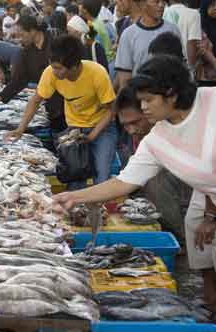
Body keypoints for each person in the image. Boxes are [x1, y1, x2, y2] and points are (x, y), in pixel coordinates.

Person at [52, 54, 216, 314]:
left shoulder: (211, 102)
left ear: (171, 94)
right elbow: (123, 182)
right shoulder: (158, 139)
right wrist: (73, 197)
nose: (145, 107)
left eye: (149, 100)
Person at [5, 34, 117, 189]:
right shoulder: (50, 73)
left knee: (102, 174)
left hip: (102, 128)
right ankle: (78, 211)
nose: (55, 72)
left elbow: (111, 110)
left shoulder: (97, 74)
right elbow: (36, 100)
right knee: (75, 176)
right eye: (53, 66)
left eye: (59, 68)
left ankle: (100, 208)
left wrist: (92, 136)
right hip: (74, 129)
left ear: (74, 66)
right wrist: (20, 129)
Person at [115, 85, 192, 247]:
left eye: (135, 122)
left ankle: (181, 239)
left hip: (191, 195)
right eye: (125, 125)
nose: (130, 130)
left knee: (156, 182)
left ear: (149, 111)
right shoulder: (139, 135)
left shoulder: (172, 131)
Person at [0, 16, 65, 151]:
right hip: (50, 103)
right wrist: (2, 96)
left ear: (32, 31)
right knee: (59, 143)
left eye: (22, 35)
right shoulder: (25, 52)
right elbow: (20, 79)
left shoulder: (56, 43)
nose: (19, 39)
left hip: (68, 99)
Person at [114, 0, 180, 91]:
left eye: (163, 1)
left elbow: (181, 65)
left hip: (169, 96)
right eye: (156, 1)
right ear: (142, 4)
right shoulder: (128, 35)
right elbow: (125, 78)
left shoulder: (173, 30)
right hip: (140, 96)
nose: (161, 5)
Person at [163, 0, 202, 73]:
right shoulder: (194, 14)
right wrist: (190, 69)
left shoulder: (160, 12)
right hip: (183, 67)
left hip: (162, 65)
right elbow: (192, 42)